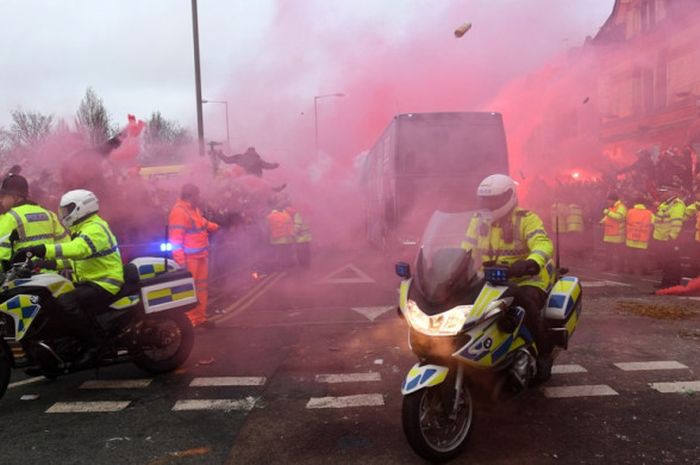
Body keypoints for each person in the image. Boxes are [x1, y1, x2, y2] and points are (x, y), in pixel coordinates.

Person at [15, 189, 124, 368]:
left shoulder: (95, 228)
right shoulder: (81, 228)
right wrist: (44, 264)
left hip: (105, 282)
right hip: (88, 281)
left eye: (67, 210)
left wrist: (42, 249)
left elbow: (78, 249)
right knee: (49, 302)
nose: (64, 214)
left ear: (81, 208)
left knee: (66, 302)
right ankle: (57, 352)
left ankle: (97, 346)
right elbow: (73, 258)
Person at [463, 174, 555, 381]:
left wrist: (530, 263)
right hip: (490, 280)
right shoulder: (478, 220)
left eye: (494, 200)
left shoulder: (526, 219)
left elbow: (543, 244)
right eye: (485, 200)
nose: (488, 205)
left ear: (508, 197)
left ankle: (543, 356)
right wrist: (454, 265)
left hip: (525, 280)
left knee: (527, 306)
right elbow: (466, 248)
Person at [168, 184, 219, 329]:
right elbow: (175, 241)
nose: (200, 198)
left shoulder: (193, 209)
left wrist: (216, 227)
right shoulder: (179, 212)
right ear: (190, 196)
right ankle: (189, 321)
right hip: (189, 258)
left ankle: (199, 318)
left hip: (201, 256)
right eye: (197, 195)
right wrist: (181, 263)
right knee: (189, 290)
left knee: (201, 288)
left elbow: (202, 223)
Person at [0, 174, 68, 270]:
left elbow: (2, 256)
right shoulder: (49, 214)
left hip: (21, 280)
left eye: (3, 196)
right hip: (53, 279)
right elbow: (66, 247)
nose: (1, 200)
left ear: (15, 197)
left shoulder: (9, 218)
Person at [652, 187, 686, 288]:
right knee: (665, 263)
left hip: (669, 239)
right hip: (661, 238)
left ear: (672, 192)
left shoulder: (677, 204)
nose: (661, 194)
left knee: (672, 263)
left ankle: (672, 283)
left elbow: (676, 222)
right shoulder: (665, 204)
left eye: (664, 192)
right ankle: (666, 282)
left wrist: (672, 237)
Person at [624, 196, 653, 274]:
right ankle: (643, 271)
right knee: (642, 256)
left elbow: (625, 221)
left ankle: (629, 270)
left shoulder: (629, 211)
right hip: (643, 238)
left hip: (631, 236)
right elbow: (653, 223)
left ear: (635, 203)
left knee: (630, 255)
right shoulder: (649, 213)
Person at [599, 192, 627, 271]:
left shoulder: (621, 207)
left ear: (613, 200)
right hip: (609, 234)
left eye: (609, 200)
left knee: (620, 253)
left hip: (618, 235)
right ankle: (608, 266)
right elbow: (607, 217)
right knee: (608, 253)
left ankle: (620, 268)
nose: (607, 202)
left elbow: (619, 217)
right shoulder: (611, 207)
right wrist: (602, 221)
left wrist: (608, 212)